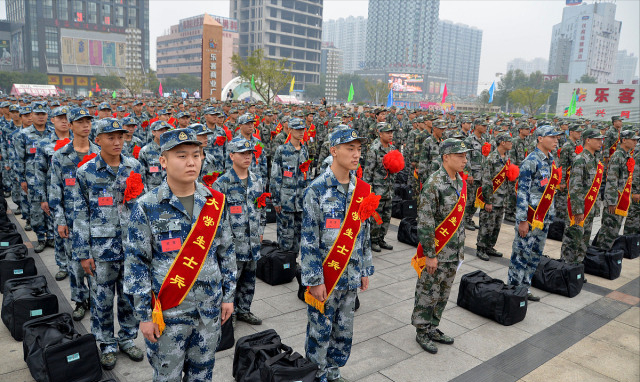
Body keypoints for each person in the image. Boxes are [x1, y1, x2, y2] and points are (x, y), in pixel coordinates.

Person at [124, 128, 236, 381]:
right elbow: (136, 265)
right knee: (167, 377)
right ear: (163, 160)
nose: (191, 162)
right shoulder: (147, 206)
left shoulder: (215, 202)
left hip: (209, 309)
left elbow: (227, 251)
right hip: (168, 312)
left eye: (196, 155)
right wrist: (143, 316)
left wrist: (228, 297)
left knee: (203, 374)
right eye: (181, 155)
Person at [301, 128, 373, 382]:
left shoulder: (360, 190)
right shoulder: (317, 190)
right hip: (326, 277)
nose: (356, 155)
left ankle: (332, 371)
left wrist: (365, 269)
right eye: (350, 149)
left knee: (344, 331)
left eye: (358, 149)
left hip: (351, 274)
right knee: (319, 332)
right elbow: (308, 240)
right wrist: (315, 280)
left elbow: (364, 233)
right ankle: (315, 374)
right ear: (334, 151)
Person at [74, 118, 145, 369]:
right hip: (101, 250)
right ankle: (106, 344)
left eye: (121, 136)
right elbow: (80, 214)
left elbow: (141, 207)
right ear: (98, 139)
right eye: (111, 137)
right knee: (102, 300)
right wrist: (83, 252)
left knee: (129, 297)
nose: (117, 142)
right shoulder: (86, 172)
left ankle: (127, 338)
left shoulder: (134, 166)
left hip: (131, 246)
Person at [413, 138, 471, 354]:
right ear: (446, 157)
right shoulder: (433, 184)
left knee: (444, 293)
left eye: (465, 156)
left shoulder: (459, 182)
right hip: (437, 251)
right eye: (460, 156)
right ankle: (421, 330)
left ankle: (433, 327)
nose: (465, 160)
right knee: (428, 291)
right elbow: (426, 223)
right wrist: (430, 254)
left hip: (454, 251)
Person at [213, 137, 266, 326]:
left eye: (249, 153)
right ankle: (230, 313)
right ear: (231, 155)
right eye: (242, 153)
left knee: (250, 279)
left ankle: (244, 309)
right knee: (230, 280)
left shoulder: (256, 180)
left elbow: (260, 206)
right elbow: (218, 218)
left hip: (252, 241)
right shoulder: (222, 184)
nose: (247, 157)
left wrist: (261, 229)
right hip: (233, 243)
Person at [508, 125, 563, 302]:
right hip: (530, 218)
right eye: (552, 137)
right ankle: (513, 290)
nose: (556, 140)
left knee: (534, 255)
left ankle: (525, 287)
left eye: (557, 137)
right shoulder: (531, 161)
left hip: (544, 218)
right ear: (540, 138)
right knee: (521, 254)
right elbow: (522, 192)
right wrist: (522, 220)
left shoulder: (550, 159)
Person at [560, 128, 605, 265]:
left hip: (590, 208)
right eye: (597, 139)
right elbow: (575, 187)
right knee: (573, 240)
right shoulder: (580, 159)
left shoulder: (595, 159)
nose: (600, 142)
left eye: (601, 139)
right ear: (588, 140)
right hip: (580, 208)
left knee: (584, 241)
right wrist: (578, 210)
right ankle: (565, 269)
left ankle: (577, 268)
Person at [15, 102, 54, 252]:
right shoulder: (23, 135)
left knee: (50, 206)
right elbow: (19, 158)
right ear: (31, 115)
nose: (40, 117)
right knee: (37, 208)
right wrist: (22, 179)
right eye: (37, 114)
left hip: (50, 178)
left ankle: (51, 236)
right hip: (32, 179)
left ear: (47, 116)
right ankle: (40, 238)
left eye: (43, 114)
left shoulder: (52, 133)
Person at [270, 117, 309, 254]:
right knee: (285, 235)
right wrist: (275, 200)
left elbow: (307, 175)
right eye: (297, 129)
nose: (301, 132)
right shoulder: (282, 150)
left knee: (298, 236)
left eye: (302, 129)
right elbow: (275, 176)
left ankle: (292, 264)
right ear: (290, 130)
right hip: (285, 201)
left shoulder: (304, 150)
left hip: (300, 202)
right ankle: (283, 264)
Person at [595, 129, 639, 250]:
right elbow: (611, 180)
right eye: (633, 140)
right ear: (624, 140)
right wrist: (612, 201)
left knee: (614, 231)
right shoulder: (617, 156)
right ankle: (599, 256)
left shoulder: (627, 155)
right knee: (608, 231)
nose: (635, 142)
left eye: (636, 140)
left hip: (622, 199)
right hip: (615, 200)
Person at [475, 133, 514, 261]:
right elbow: (486, 181)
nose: (511, 143)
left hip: (502, 198)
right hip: (492, 198)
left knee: (497, 225)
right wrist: (488, 201)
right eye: (509, 141)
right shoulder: (491, 158)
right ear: (502, 142)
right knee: (487, 224)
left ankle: (490, 246)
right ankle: (481, 248)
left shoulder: (507, 157)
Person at [363, 122, 397, 252]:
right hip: (377, 189)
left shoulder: (392, 148)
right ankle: (373, 240)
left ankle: (382, 238)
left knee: (387, 216)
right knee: (376, 216)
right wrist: (368, 191)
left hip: (388, 189)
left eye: (391, 132)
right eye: (387, 132)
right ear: (380, 133)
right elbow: (368, 172)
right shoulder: (375, 149)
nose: (390, 135)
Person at [463, 119, 488, 231]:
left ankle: (469, 219)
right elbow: (466, 158)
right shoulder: (469, 140)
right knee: (470, 199)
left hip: (482, 175)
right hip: (473, 175)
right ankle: (464, 220)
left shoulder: (485, 140)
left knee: (476, 200)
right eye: (483, 125)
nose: (485, 127)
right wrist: (468, 174)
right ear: (476, 126)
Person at [555, 124, 583, 223]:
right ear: (571, 132)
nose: (580, 134)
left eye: (580, 132)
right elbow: (562, 165)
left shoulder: (577, 145)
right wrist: (561, 181)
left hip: (573, 179)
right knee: (562, 206)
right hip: (566, 179)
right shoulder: (567, 146)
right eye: (578, 132)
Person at [138, 121, 170, 190]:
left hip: (170, 191)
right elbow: (141, 176)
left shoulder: (171, 150)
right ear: (153, 132)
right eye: (161, 130)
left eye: (166, 130)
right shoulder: (145, 151)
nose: (164, 133)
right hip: (152, 192)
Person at [624, 140, 640, 235]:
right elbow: (636, 171)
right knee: (634, 218)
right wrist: (636, 191)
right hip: (638, 190)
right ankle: (629, 241)